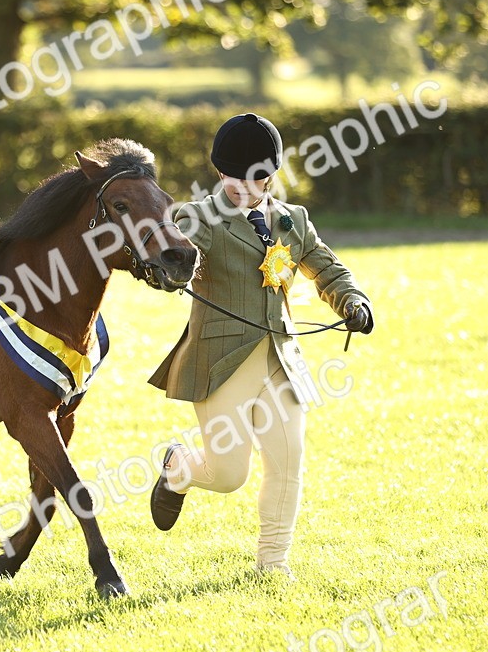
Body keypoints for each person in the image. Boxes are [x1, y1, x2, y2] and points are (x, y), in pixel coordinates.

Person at [146, 112, 374, 581]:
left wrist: (352, 300)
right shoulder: (199, 217)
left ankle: (272, 565)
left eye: (258, 180)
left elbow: (326, 268)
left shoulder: (293, 220)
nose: (246, 189)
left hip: (280, 360)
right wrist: (169, 267)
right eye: (235, 180)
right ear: (220, 173)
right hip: (222, 360)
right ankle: (179, 467)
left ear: (272, 174)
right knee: (230, 476)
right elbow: (180, 247)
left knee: (289, 462)